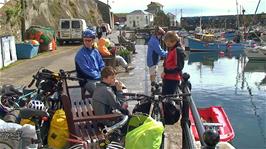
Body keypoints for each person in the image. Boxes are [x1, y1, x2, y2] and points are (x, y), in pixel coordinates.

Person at [75, 29, 105, 95]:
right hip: (87, 80)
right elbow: (86, 71)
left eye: (89, 40)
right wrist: (100, 76)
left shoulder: (95, 51)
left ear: (93, 40)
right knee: (100, 93)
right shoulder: (80, 55)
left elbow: (101, 64)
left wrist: (104, 73)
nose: (87, 42)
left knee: (115, 85)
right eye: (85, 40)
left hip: (98, 77)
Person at [161, 31, 185, 95]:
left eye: (171, 41)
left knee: (168, 100)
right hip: (167, 78)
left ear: (175, 41)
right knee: (164, 99)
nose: (168, 43)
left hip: (173, 79)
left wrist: (166, 71)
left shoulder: (178, 50)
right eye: (166, 41)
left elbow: (179, 67)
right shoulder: (171, 49)